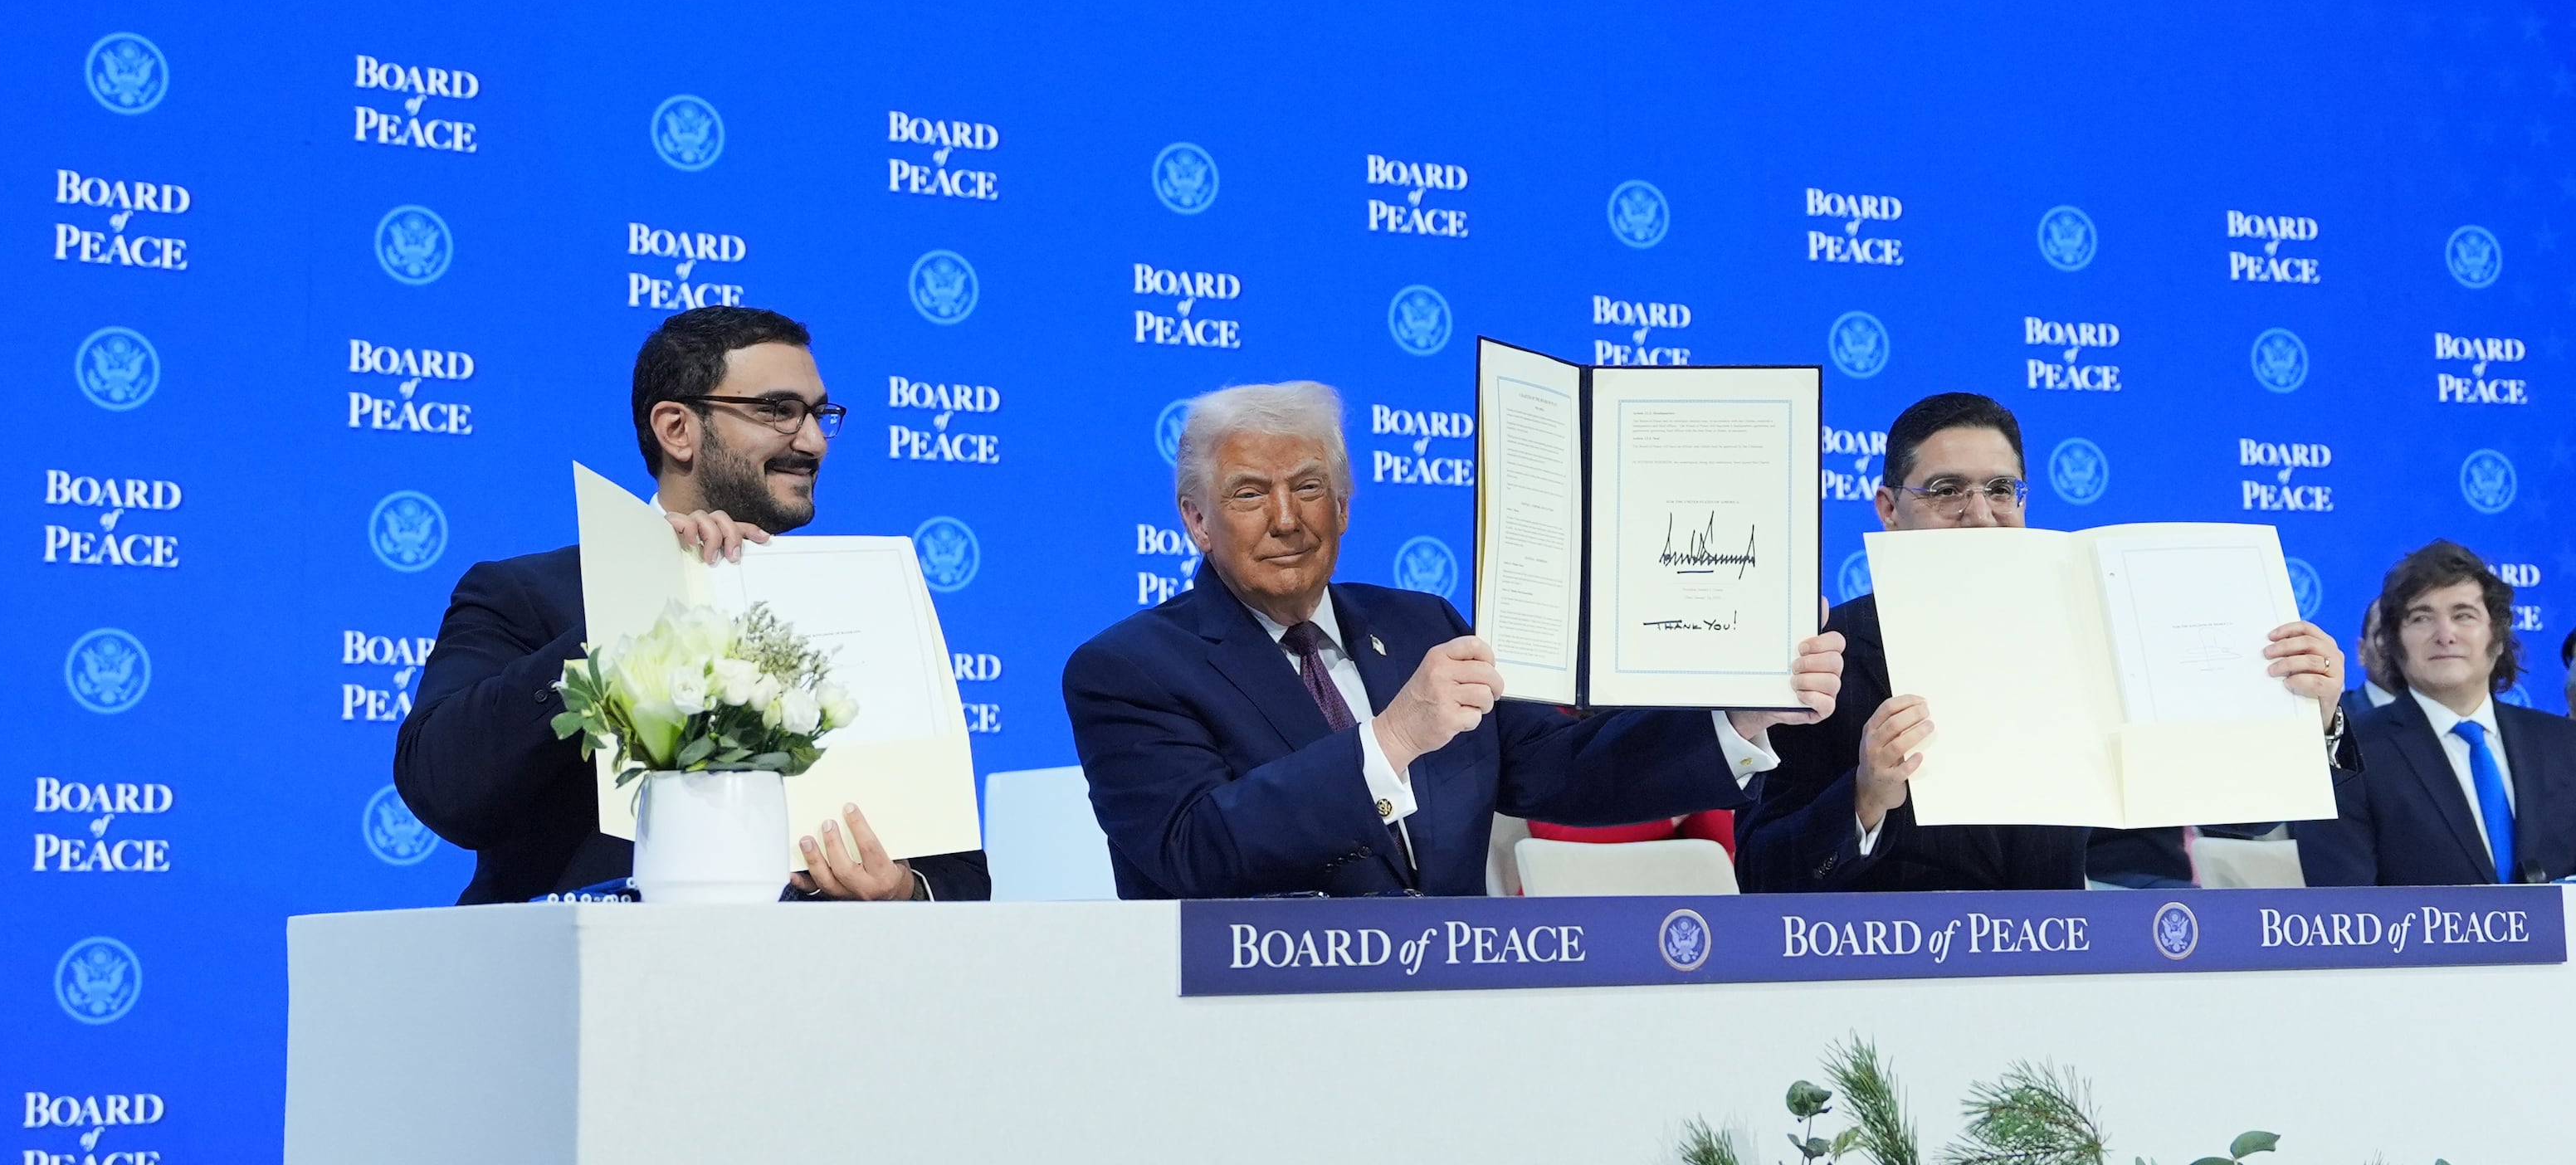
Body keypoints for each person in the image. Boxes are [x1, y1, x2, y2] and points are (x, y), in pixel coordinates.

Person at [1062, 381, 1844, 898]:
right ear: (1195, 519)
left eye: (1308, 487)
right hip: (1253, 1037)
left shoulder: (1420, 626)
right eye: (1248, 494)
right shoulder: (1126, 670)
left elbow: (1563, 770)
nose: (1287, 518)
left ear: (1344, 506)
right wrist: (1394, 738)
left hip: (1460, 1021)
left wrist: (1742, 717)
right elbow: (1196, 849)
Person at [391, 307, 989, 904]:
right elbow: (445, 790)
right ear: (677, 429)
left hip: (817, 982)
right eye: (777, 411)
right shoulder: (524, 594)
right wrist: (640, 606)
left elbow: (961, 875)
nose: (811, 441)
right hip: (591, 979)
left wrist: (904, 890)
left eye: (818, 414)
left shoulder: (861, 603)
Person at [1737, 392, 2348, 892]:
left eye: (2002, 490)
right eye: (1948, 489)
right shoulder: (1823, 655)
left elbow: (2241, 816)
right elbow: (1763, 875)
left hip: (2057, 984)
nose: (1980, 514)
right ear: (1889, 509)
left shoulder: (2093, 631)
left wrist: (2309, 722)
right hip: (1879, 986)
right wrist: (1865, 798)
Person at [2299, 542, 2576, 885]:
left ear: (2498, 637)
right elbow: (2343, 911)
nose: (2445, 635)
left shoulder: (2565, 744)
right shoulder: (2348, 758)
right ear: (2393, 642)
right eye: (2422, 618)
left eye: (2464, 615)